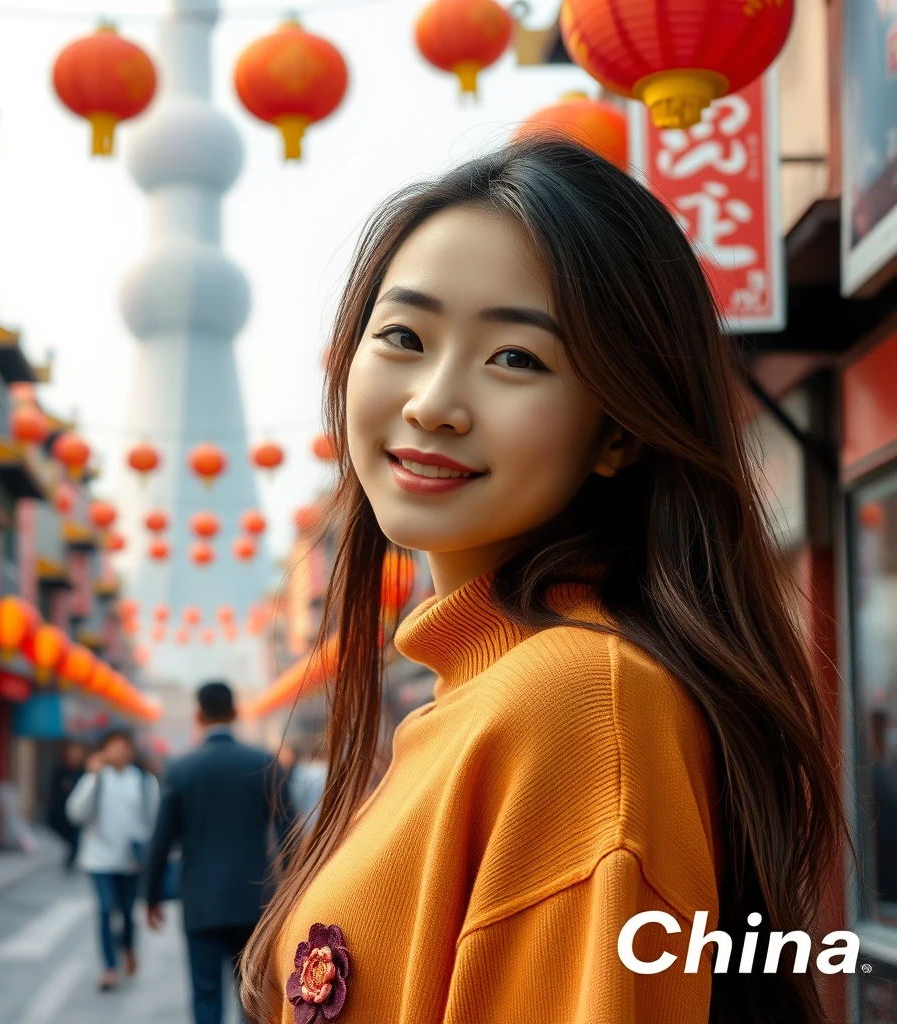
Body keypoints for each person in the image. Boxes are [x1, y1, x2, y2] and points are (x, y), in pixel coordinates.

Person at [238, 138, 851, 1024]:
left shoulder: (575, 707)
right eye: (403, 336)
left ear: (619, 432)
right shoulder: (475, 698)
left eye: (516, 358)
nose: (434, 402)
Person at [145, 681, 294, 1024]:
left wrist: (151, 895)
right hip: (256, 898)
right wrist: (292, 890)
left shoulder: (182, 769)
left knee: (206, 994)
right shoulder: (263, 762)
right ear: (235, 712)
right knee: (254, 998)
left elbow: (161, 840)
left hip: (201, 900)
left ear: (198, 715)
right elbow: (289, 833)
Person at [66, 729, 159, 992]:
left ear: (131, 751)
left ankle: (128, 947)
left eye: (124, 746)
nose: (119, 752)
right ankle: (109, 967)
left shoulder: (145, 782)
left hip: (132, 861)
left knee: (128, 913)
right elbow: (75, 813)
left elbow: (154, 822)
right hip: (99, 860)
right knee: (106, 909)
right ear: (103, 751)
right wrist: (92, 778)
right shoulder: (95, 779)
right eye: (113, 747)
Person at [46, 741, 85, 873]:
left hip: (78, 814)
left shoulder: (83, 772)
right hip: (60, 813)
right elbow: (53, 792)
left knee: (76, 837)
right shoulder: (60, 771)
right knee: (70, 839)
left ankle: (71, 860)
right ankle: (72, 855)